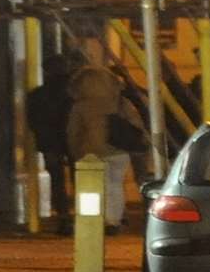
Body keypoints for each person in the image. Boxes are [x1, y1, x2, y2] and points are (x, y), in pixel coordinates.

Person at [65, 37, 146, 230]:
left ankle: (92, 219)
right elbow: (136, 123)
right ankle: (113, 220)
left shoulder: (81, 106)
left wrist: (74, 150)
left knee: (92, 188)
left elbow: (73, 131)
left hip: (91, 152)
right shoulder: (120, 102)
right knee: (115, 185)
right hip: (119, 151)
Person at [26, 48, 78, 231]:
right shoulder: (75, 94)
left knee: (56, 179)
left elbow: (33, 121)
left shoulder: (37, 95)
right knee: (79, 178)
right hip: (73, 140)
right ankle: (82, 215)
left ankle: (63, 217)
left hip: (49, 142)